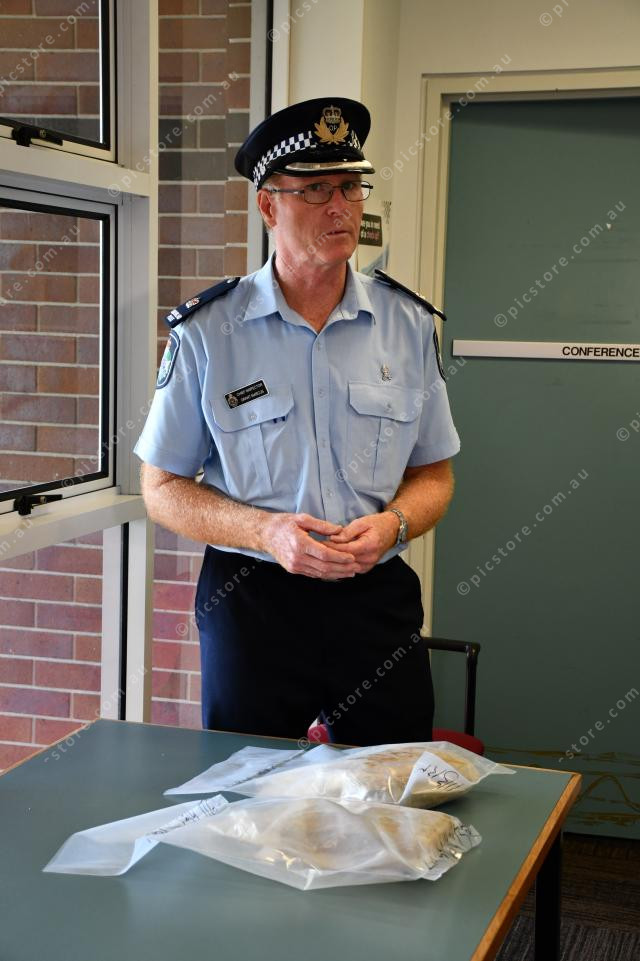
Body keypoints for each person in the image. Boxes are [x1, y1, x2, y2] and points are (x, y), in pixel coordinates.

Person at [135, 97, 460, 746]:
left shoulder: (406, 324)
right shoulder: (209, 332)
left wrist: (394, 524)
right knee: (247, 785)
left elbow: (434, 474)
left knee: (390, 783)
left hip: (374, 596)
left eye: (350, 187)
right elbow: (162, 487)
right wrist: (266, 531)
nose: (340, 207)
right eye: (315, 190)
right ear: (268, 206)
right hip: (253, 598)